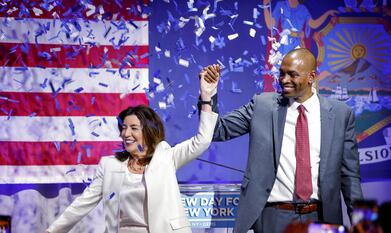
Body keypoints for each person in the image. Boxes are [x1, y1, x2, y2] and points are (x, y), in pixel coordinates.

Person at [199, 48, 363, 233]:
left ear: (311, 77)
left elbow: (350, 177)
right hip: (273, 218)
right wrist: (207, 96)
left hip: (321, 217)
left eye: (292, 75)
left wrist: (366, 225)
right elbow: (217, 131)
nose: (284, 80)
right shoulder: (262, 106)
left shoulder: (341, 114)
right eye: (282, 74)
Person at [46, 74, 219, 233]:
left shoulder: (166, 156)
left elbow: (202, 141)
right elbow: (82, 204)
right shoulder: (109, 165)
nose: (126, 134)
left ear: (149, 131)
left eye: (134, 128)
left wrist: (206, 98)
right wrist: (52, 231)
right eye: (123, 128)